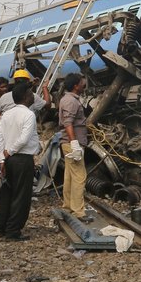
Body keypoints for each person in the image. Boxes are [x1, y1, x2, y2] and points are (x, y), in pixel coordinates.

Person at [0, 83, 39, 240]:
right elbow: (24, 139)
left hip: (7, 160)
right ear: (26, 97)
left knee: (7, 193)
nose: (33, 96)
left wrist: (2, 159)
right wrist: (10, 151)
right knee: (21, 196)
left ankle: (0, 227)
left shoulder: (6, 114)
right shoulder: (29, 115)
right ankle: (13, 231)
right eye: (31, 93)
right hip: (22, 159)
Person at [58, 73, 88, 219]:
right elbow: (68, 122)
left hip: (68, 143)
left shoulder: (67, 99)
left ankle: (69, 206)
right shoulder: (71, 101)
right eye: (82, 82)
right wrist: (75, 144)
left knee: (69, 176)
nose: (84, 84)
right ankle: (78, 212)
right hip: (72, 144)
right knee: (79, 177)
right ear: (76, 86)